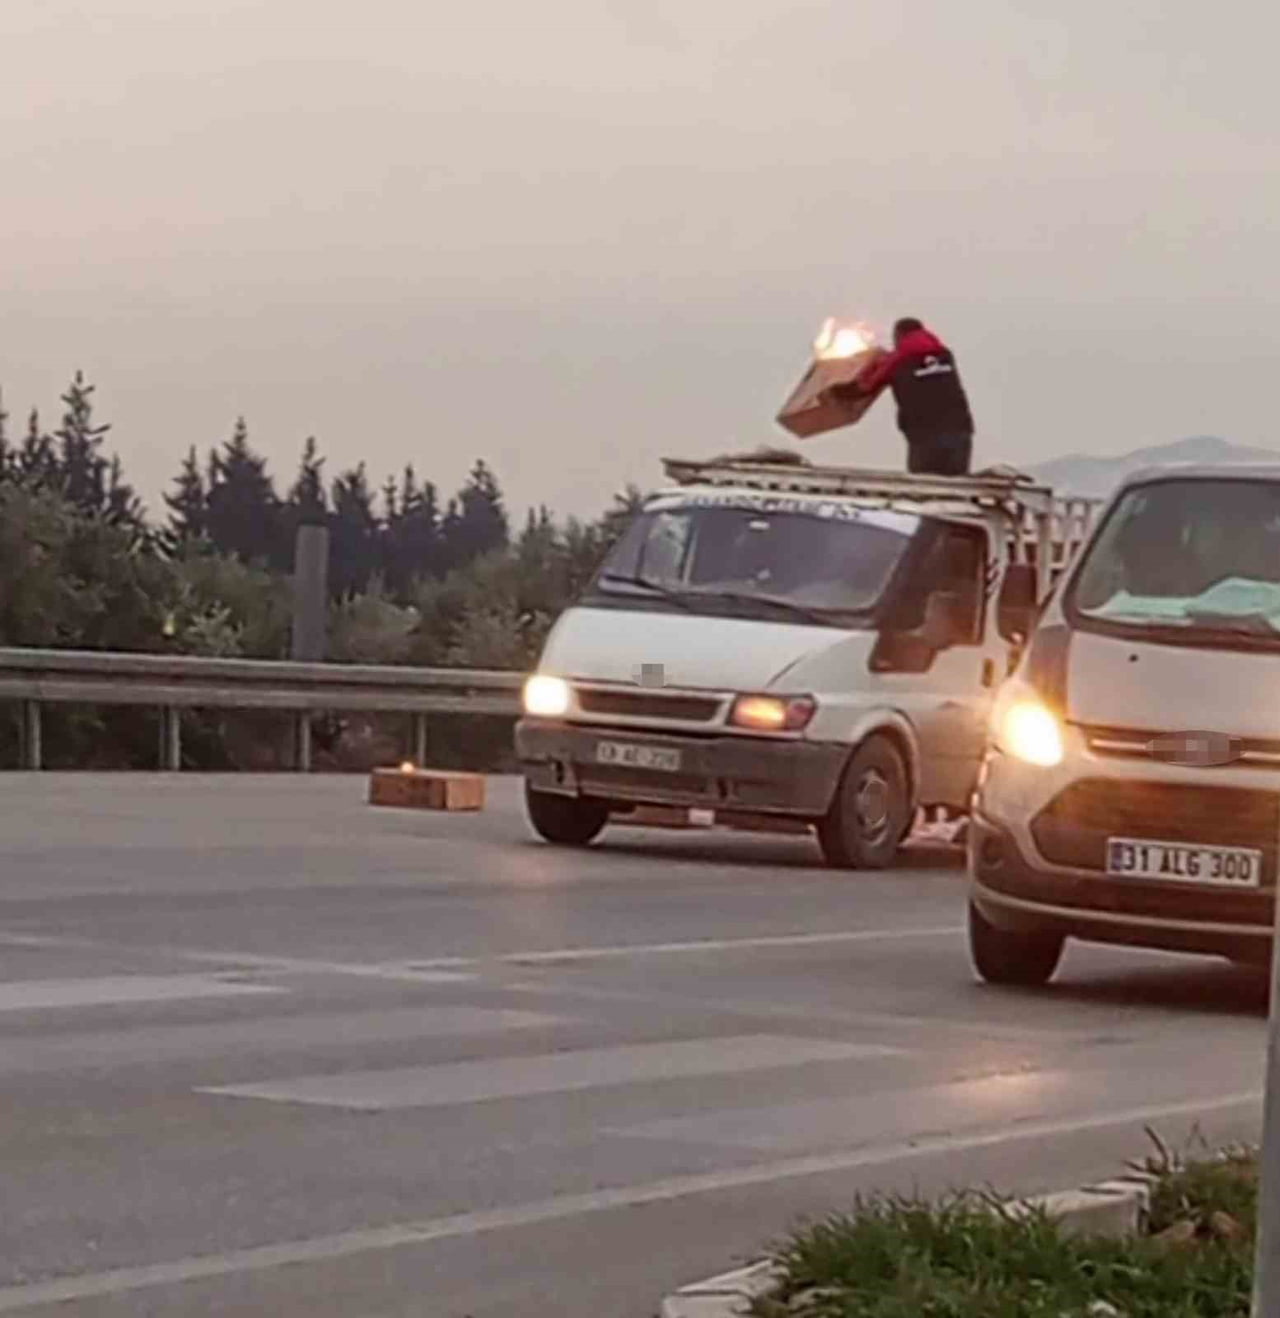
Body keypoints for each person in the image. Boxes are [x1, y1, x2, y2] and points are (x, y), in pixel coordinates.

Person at [829, 317, 975, 475]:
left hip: (925, 433)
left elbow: (864, 387)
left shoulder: (898, 359)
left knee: (925, 484)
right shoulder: (945, 355)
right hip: (960, 430)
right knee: (956, 484)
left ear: (899, 336)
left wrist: (834, 391)